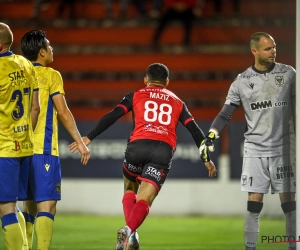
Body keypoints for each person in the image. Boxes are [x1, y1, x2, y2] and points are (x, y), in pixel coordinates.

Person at [69, 63, 217, 250]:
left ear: (145, 80)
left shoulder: (136, 95)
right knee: (145, 198)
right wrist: (206, 159)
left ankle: (131, 235)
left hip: (137, 146)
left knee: (130, 187)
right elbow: (195, 130)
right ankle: (129, 229)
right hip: (163, 150)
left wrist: (89, 137)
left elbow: (113, 115)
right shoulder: (178, 102)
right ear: (167, 82)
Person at [202, 32, 296, 250]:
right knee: (254, 205)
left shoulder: (289, 73)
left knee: (290, 205)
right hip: (255, 149)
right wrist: (212, 134)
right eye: (267, 48)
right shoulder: (242, 81)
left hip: (285, 147)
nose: (273, 51)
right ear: (254, 51)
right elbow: (225, 113)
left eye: (274, 47)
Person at [20, 30, 91, 250]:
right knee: (47, 205)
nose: (52, 49)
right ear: (41, 52)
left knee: (28, 204)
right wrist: (80, 141)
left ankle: (23, 247)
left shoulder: (17, 74)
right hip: (43, 149)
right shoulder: (51, 75)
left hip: (18, 148)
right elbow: (63, 112)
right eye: (49, 46)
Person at [0, 22, 40, 250]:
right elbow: (35, 107)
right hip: (25, 145)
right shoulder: (25, 64)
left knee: (6, 207)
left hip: (4, 147)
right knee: (12, 206)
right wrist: (24, 134)